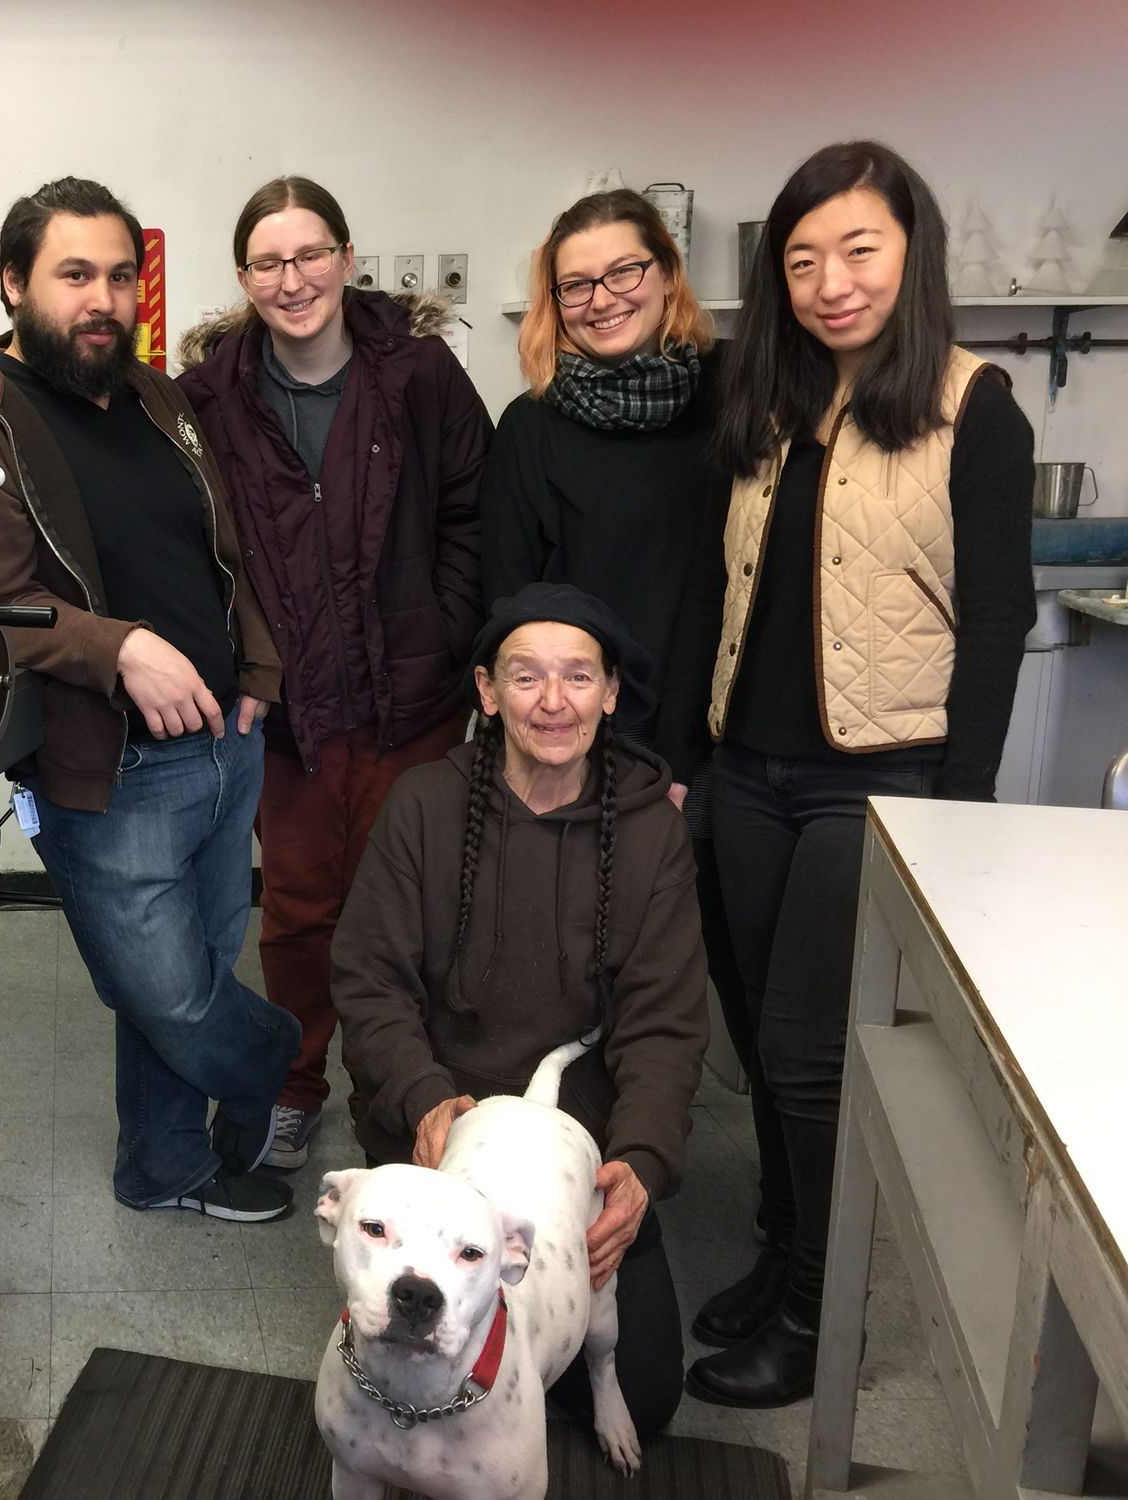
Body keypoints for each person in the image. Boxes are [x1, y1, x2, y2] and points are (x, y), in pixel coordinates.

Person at [683, 141, 1034, 1407]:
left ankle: (817, 1321)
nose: (830, 281)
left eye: (858, 250)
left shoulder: (971, 402)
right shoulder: (765, 401)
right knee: (756, 1039)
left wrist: (959, 811)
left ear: (909, 253)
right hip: (746, 771)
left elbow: (996, 617)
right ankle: (782, 1257)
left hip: (876, 779)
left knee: (801, 1052)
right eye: (800, 258)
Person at [0, 177, 301, 1223]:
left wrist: (254, 668)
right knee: (165, 993)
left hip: (222, 742)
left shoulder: (154, 396)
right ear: (14, 284)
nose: (101, 298)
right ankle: (277, 1066)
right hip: (107, 769)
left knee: (195, 969)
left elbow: (221, 552)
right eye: (74, 275)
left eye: (119, 274)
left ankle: (162, 1167)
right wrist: (121, 651)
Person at [332, 583, 709, 1438]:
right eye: (526, 676)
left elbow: (667, 1021)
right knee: (409, 1355)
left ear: (611, 694)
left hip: (571, 1159)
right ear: (486, 691)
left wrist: (641, 1163)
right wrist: (420, 1095)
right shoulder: (423, 805)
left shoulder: (652, 836)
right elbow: (369, 978)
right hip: (440, 1139)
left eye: (578, 677)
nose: (552, 701)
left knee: (644, 1396)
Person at [478, 192, 768, 1301]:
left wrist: (687, 758)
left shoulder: (735, 405)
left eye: (623, 273)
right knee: (568, 965)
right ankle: (554, 1181)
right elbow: (514, 603)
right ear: (552, 299)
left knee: (700, 979)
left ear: (666, 273)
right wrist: (563, 744)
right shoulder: (533, 427)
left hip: (717, 745)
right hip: (580, 747)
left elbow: (736, 585)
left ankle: (700, 1192)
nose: (601, 301)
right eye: (575, 283)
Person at [175, 176, 489, 1171]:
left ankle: (402, 1104)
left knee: (413, 917)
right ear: (243, 278)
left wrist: (442, 637)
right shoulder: (211, 398)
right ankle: (295, 1086)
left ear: (346, 261)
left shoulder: (419, 377)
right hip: (289, 715)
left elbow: (469, 519)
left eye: (309, 254)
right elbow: (195, 542)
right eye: (268, 262)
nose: (291, 277)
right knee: (301, 916)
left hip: (413, 703)